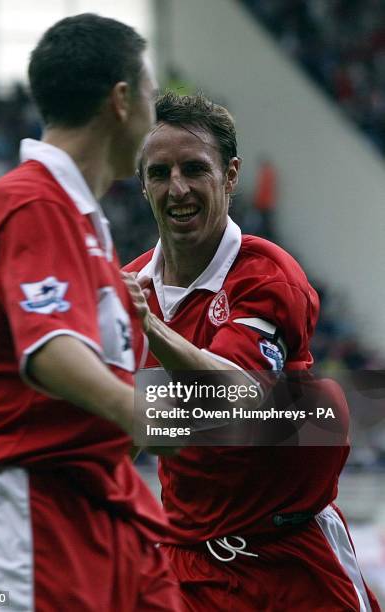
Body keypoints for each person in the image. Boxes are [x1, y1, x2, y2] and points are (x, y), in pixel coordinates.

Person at [0, 15, 182, 611]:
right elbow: (48, 351)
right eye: (151, 95)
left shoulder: (80, 228)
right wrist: (155, 417)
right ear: (121, 101)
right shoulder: (29, 202)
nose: (155, 114)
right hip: (26, 509)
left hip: (101, 509)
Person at [123, 92, 380, 611]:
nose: (178, 189)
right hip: (189, 565)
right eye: (159, 172)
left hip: (291, 560)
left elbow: (241, 396)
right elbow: (119, 433)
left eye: (195, 169)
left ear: (231, 175)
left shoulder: (267, 274)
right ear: (142, 183)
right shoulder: (128, 285)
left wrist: (149, 332)